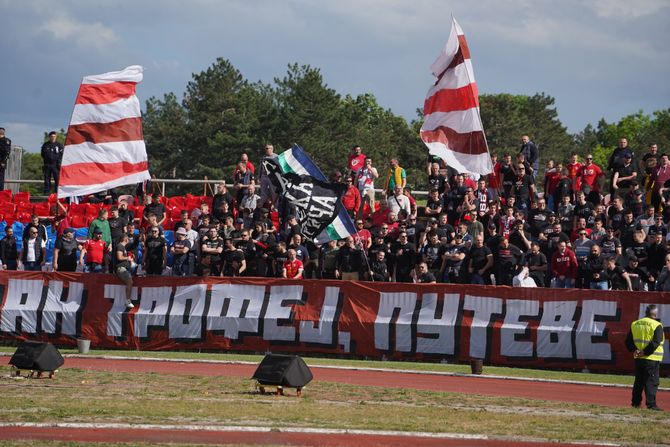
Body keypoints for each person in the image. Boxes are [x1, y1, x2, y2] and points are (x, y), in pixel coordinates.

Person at [625, 304, 664, 411]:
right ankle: (651, 405)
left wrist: (636, 350)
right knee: (651, 381)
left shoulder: (635, 324)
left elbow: (628, 342)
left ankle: (635, 403)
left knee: (638, 381)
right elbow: (655, 342)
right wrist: (645, 352)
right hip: (652, 358)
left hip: (638, 358)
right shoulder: (657, 325)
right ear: (655, 314)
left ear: (645, 313)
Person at [114, 234, 135, 309]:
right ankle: (128, 301)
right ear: (126, 240)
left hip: (125, 268)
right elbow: (119, 257)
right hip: (121, 268)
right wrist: (128, 258)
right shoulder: (120, 246)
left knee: (130, 281)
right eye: (128, 240)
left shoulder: (123, 247)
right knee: (129, 281)